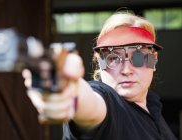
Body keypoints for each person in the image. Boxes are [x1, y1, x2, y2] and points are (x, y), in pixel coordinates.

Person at [25, 12, 178, 140]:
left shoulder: (152, 105)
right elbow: (91, 105)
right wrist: (69, 90)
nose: (126, 70)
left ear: (154, 60)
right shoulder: (108, 104)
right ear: (100, 63)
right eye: (113, 58)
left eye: (138, 58)